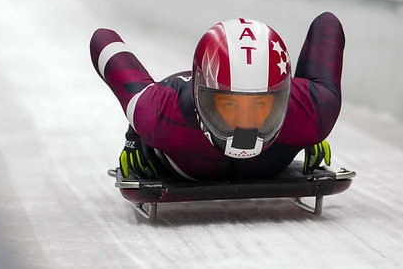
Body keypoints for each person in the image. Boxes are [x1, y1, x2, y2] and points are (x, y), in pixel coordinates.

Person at [90, 12, 344, 181]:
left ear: (284, 98)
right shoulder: (160, 113)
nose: (245, 123)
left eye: (259, 104)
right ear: (202, 99)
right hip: (182, 120)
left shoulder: (313, 109)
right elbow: (101, 38)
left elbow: (327, 21)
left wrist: (308, 129)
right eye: (230, 104)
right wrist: (135, 132)